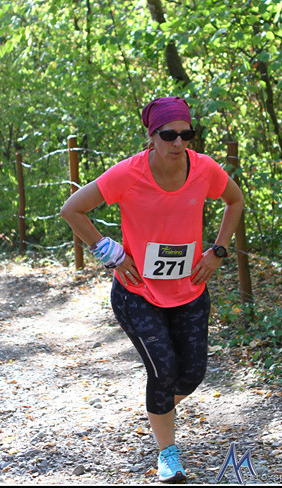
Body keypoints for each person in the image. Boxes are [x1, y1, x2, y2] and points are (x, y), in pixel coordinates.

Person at [60, 96, 244, 483]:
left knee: (191, 374)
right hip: (137, 293)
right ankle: (168, 455)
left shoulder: (204, 169)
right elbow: (72, 209)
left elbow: (235, 200)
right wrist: (110, 253)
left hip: (190, 290)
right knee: (163, 371)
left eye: (186, 135)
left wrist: (218, 251)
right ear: (151, 136)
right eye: (168, 135)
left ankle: (157, 409)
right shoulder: (129, 174)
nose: (178, 143)